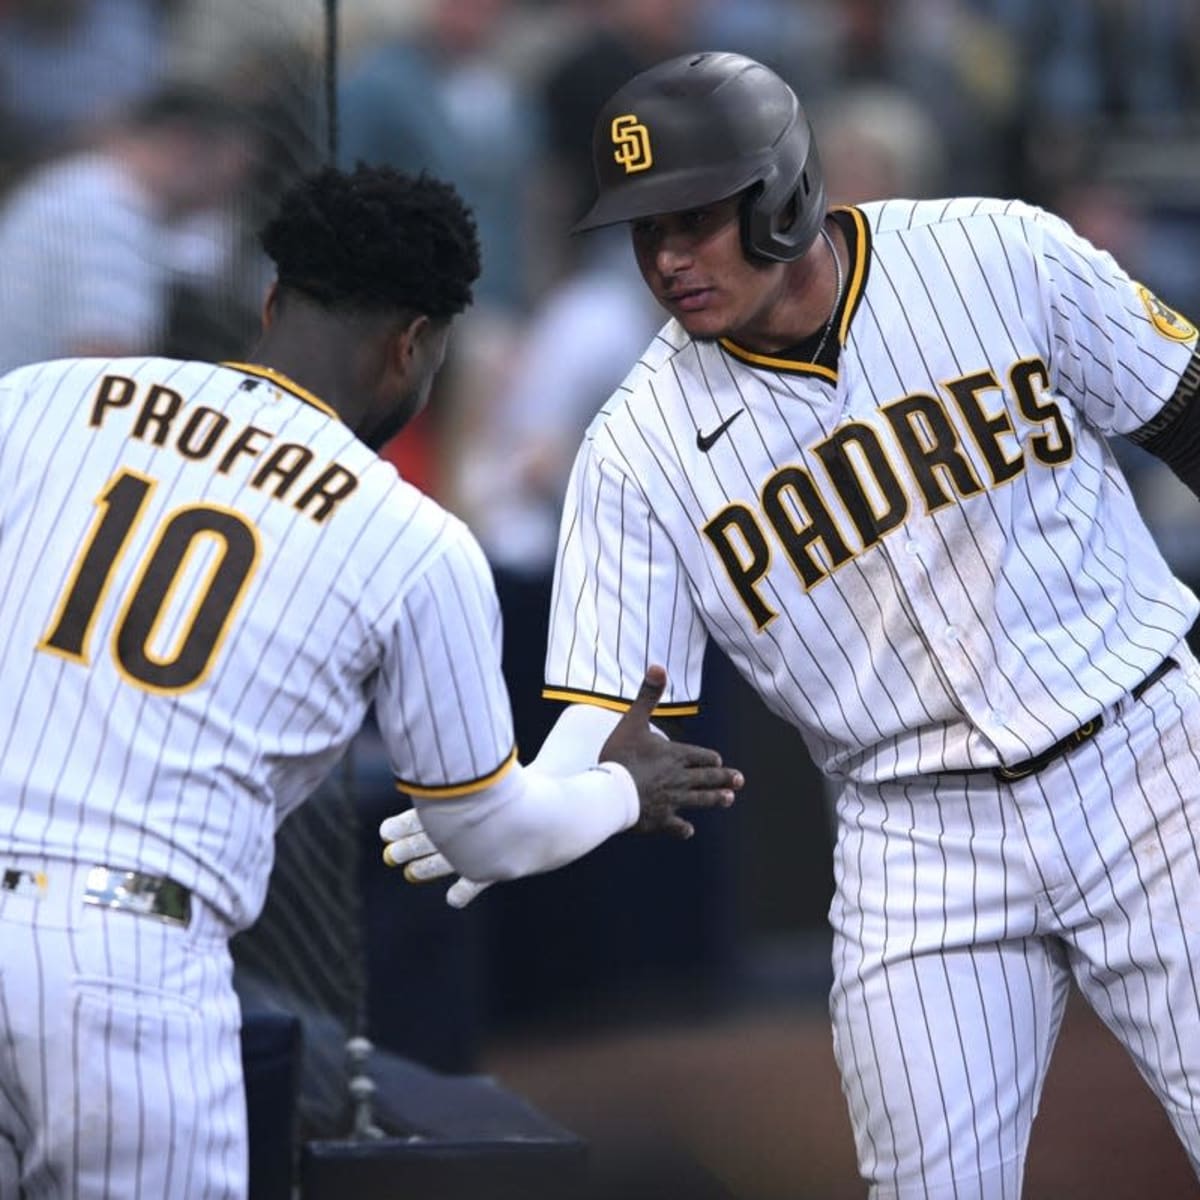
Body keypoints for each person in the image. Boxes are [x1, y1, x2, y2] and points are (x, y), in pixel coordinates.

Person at [389, 51, 1200, 1198]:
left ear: (783, 195)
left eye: (693, 220)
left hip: (1146, 760)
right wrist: (515, 802)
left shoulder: (997, 253)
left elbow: (1187, 414)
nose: (667, 261)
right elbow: (611, 713)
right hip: (915, 835)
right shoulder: (637, 445)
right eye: (643, 232)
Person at [0, 162, 742, 1198]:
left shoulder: (40, 398)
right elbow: (486, 835)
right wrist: (624, 788)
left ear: (272, 302)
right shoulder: (411, 540)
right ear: (413, 345)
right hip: (124, 974)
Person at [0, 82, 263, 375]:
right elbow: (105, 367)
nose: (229, 194)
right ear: (183, 145)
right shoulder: (108, 210)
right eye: (235, 173)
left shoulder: (86, 188)